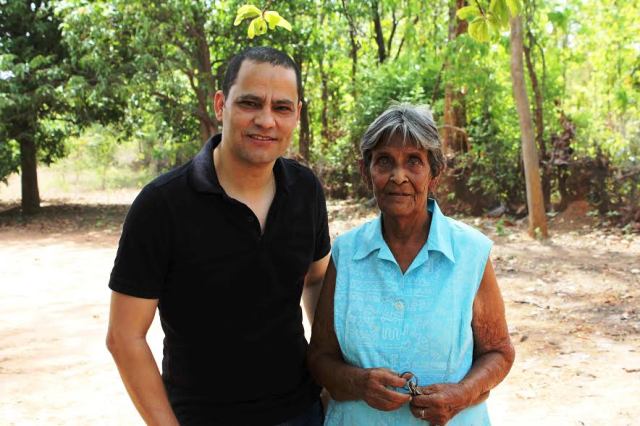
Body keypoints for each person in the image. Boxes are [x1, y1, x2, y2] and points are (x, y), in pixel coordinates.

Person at [106, 46, 331, 425]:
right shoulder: (162, 205)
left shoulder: (305, 189)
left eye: (281, 108)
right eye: (250, 103)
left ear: (297, 114)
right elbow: (124, 337)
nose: (266, 120)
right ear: (220, 104)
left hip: (302, 412)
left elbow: (316, 279)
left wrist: (328, 372)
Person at [308, 104, 515, 425]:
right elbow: (320, 357)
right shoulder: (346, 253)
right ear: (366, 171)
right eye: (384, 161)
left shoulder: (470, 253)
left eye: (414, 161)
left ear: (435, 174)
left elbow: (499, 352)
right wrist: (359, 383)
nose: (398, 176)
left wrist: (461, 394)